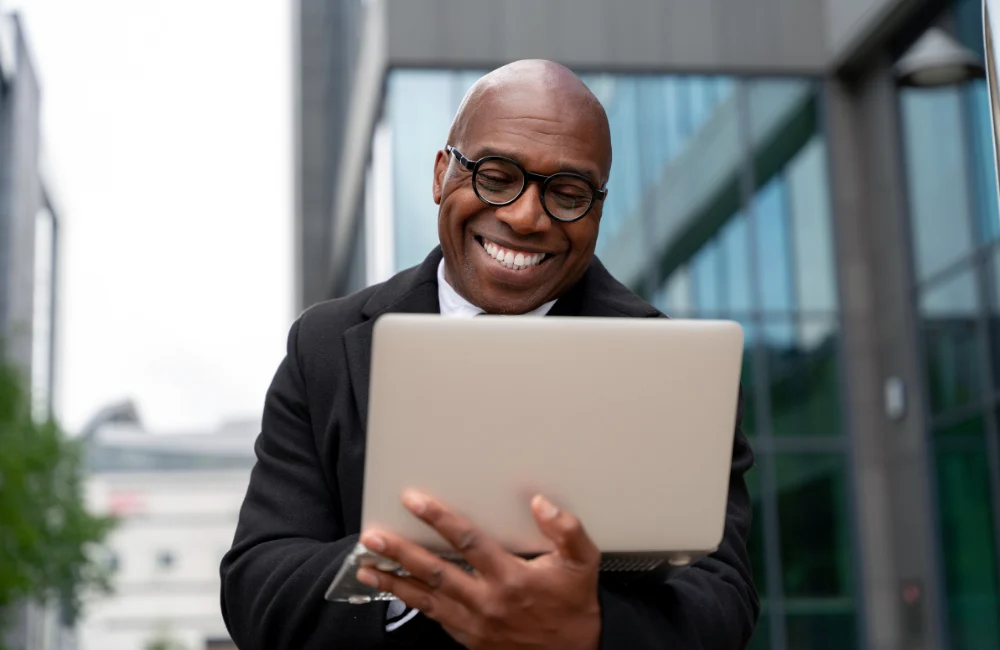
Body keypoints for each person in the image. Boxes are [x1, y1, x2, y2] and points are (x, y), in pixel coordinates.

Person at [220, 59, 758, 650]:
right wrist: (424, 570)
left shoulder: (676, 373)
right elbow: (258, 588)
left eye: (568, 193)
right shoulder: (322, 346)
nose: (526, 216)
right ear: (440, 175)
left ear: (597, 209)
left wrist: (587, 627)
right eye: (496, 176)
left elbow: (722, 603)